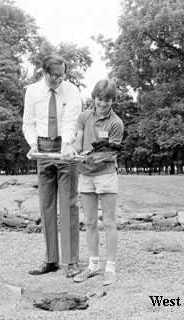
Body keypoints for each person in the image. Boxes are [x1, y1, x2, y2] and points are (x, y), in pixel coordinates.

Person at [22, 54, 82, 278]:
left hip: (65, 148)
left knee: (68, 205)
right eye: (55, 76)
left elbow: (71, 120)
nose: (59, 79)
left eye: (62, 75)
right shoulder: (33, 91)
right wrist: (32, 145)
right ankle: (51, 260)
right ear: (44, 73)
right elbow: (28, 122)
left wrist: (67, 144)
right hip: (42, 148)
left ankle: (71, 262)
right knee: (46, 205)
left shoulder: (72, 91)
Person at [71, 79, 124, 286]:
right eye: (100, 99)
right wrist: (71, 151)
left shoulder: (116, 123)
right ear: (94, 97)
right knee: (90, 221)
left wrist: (90, 156)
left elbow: (111, 154)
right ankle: (93, 265)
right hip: (86, 174)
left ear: (112, 101)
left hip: (106, 174)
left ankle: (110, 267)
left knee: (109, 222)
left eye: (108, 100)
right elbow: (78, 142)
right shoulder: (84, 117)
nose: (103, 104)